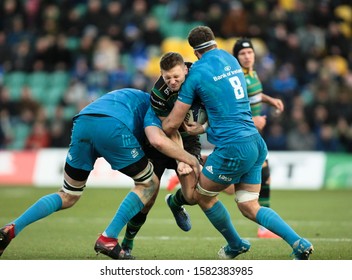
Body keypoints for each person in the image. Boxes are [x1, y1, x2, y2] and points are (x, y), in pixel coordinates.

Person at [162, 25, 313, 260]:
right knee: (249, 205)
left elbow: (173, 123)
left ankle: (234, 244)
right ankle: (299, 243)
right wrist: (204, 126)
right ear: (214, 43)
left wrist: (157, 127)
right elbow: (228, 103)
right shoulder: (231, 60)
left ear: (194, 53)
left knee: (201, 196)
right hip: (255, 142)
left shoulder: (197, 72)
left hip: (232, 147)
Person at [0, 88, 200, 259]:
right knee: (149, 183)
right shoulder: (156, 109)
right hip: (112, 127)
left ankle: (12, 228)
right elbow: (160, 137)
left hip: (83, 122)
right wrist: (185, 158)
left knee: (68, 194)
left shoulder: (131, 95)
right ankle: (109, 238)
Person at [120, 52, 203, 257]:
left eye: (176, 76)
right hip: (161, 140)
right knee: (148, 195)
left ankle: (175, 203)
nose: (172, 82)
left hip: (190, 139)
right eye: (168, 78)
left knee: (193, 196)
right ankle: (127, 243)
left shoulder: (201, 77)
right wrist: (180, 157)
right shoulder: (158, 93)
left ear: (185, 69)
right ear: (161, 75)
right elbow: (169, 128)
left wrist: (203, 128)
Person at [227, 38, 285, 238]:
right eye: (242, 54)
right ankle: (264, 227)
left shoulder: (252, 74)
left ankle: (264, 228)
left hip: (253, 136)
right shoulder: (238, 79)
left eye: (249, 52)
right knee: (254, 179)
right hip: (244, 133)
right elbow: (233, 108)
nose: (247, 56)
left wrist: (271, 100)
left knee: (260, 178)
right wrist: (254, 120)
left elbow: (256, 96)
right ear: (236, 57)